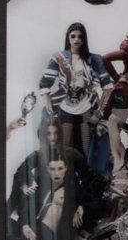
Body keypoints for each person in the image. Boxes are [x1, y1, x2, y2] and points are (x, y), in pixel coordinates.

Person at [39, 22, 113, 165]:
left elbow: (108, 87)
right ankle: (66, 181)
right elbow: (44, 84)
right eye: (72, 36)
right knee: (64, 151)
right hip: (65, 108)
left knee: (86, 152)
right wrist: (49, 107)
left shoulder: (94, 59)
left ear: (84, 39)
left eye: (80, 36)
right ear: (68, 38)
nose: (76, 40)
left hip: (86, 109)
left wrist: (99, 112)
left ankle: (85, 180)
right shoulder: (59, 58)